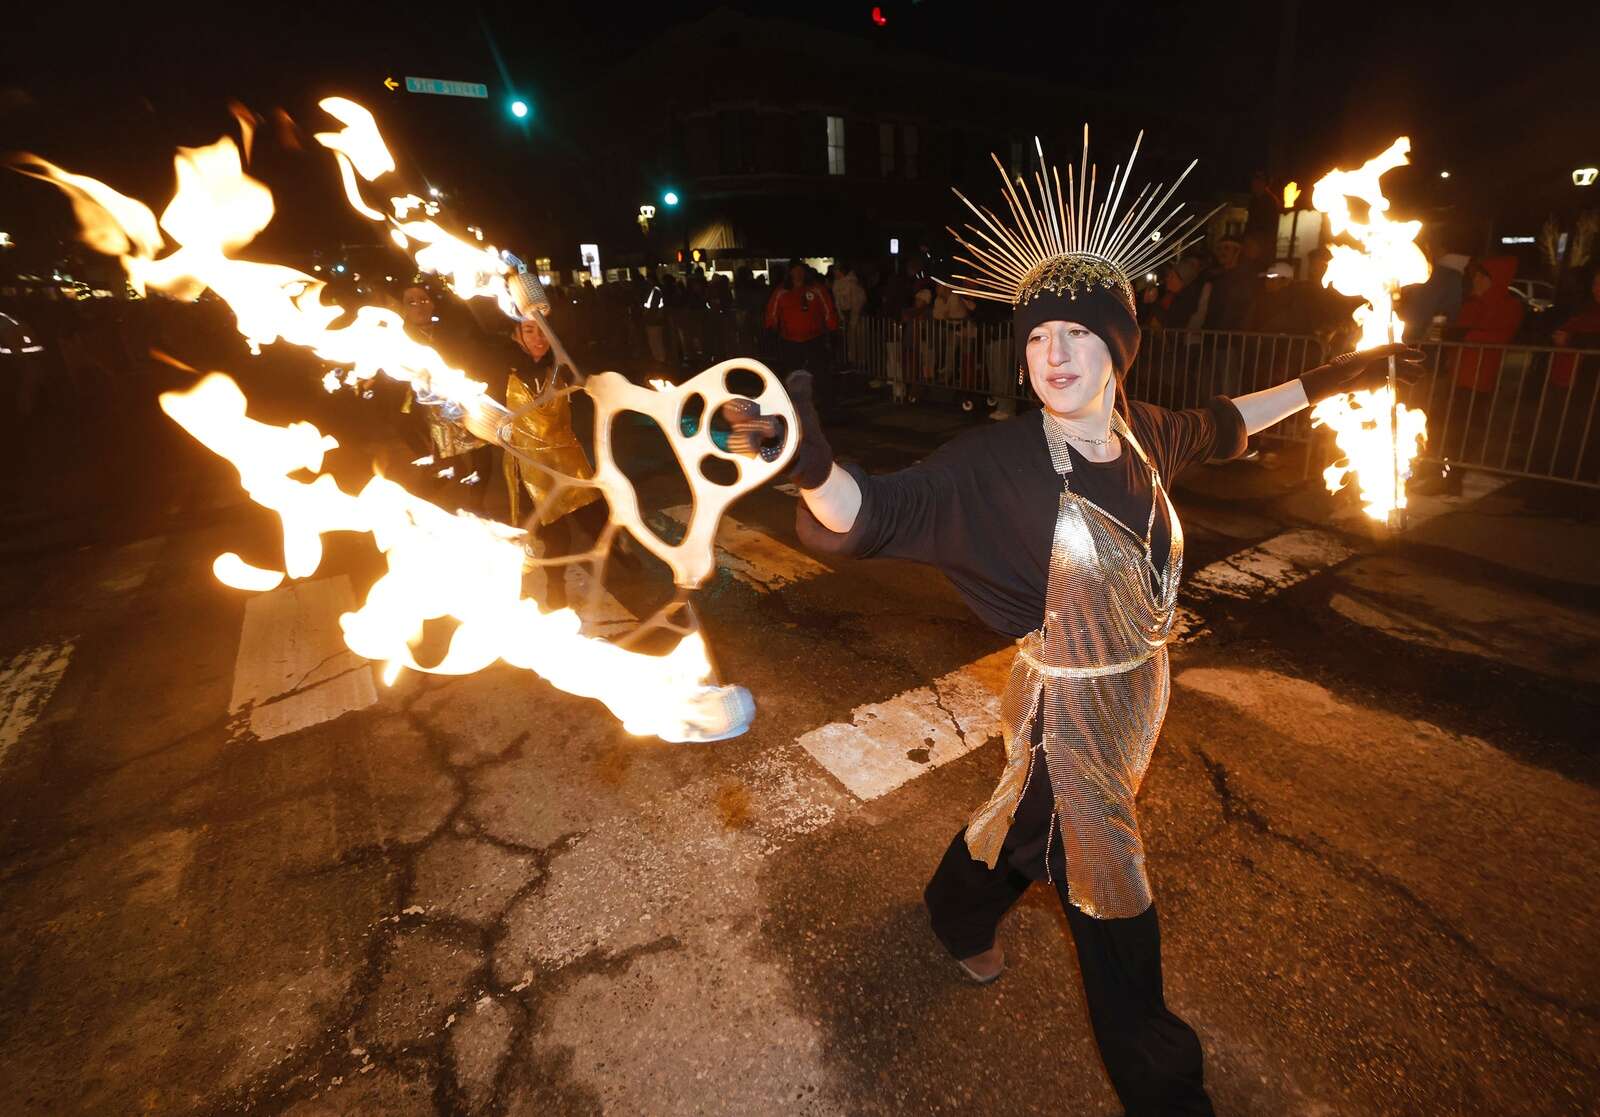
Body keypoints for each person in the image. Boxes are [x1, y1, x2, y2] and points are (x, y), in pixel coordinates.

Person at [739, 137, 1422, 1116]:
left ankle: (951, 907)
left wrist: (1333, 379)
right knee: (1109, 892)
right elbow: (876, 513)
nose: (1051, 354)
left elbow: (1232, 419)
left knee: (1020, 823)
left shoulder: (1151, 430)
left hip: (1135, 698)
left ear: (1118, 346)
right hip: (1067, 712)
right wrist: (812, 470)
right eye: (1034, 337)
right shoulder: (997, 463)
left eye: (1075, 332)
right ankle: (1167, 1092)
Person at [499, 311, 608, 611]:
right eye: (530, 331)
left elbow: (592, 387)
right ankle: (555, 585)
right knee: (555, 534)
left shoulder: (561, 370)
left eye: (544, 332)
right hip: (533, 470)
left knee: (598, 519)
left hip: (568, 461)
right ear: (514, 335)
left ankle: (619, 551)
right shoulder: (500, 371)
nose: (539, 339)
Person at [764, 259, 839, 409]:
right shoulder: (782, 292)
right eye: (795, 270)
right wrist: (770, 329)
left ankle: (825, 402)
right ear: (790, 272)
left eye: (800, 270)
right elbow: (772, 313)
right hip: (790, 340)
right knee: (792, 372)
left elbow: (828, 310)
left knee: (820, 372)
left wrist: (833, 329)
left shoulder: (816, 289)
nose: (798, 273)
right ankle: (791, 402)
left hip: (814, 339)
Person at [1448, 257, 1524, 392]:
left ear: (1496, 280)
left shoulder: (1509, 306)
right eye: (1475, 275)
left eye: (1482, 276)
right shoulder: (1471, 303)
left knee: (1472, 410)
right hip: (1457, 374)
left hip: (1480, 377)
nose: (1476, 280)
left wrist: (1464, 335)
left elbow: (1501, 336)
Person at [1549, 267, 1600, 389]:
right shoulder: (1587, 310)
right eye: (1595, 284)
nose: (1597, 289)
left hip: (1588, 382)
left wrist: (1570, 339)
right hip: (1569, 379)